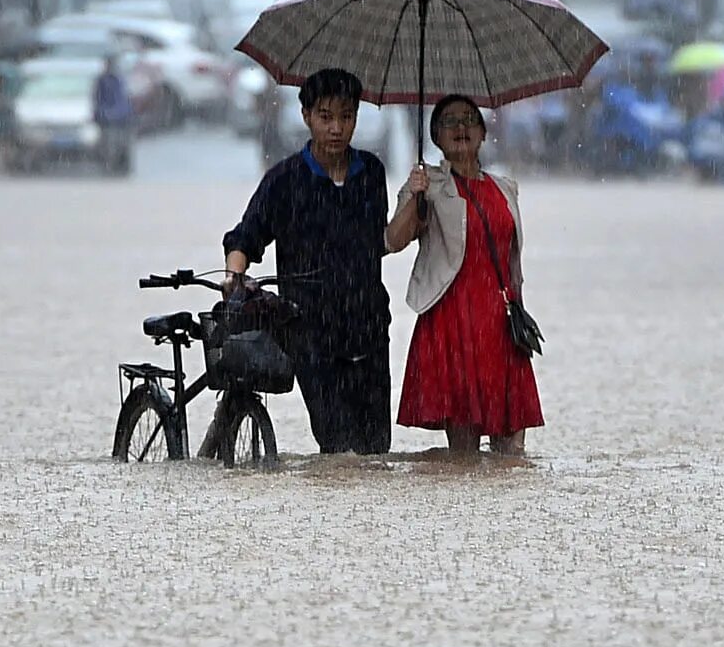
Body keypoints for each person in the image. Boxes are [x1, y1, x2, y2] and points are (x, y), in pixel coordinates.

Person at [224, 68, 392, 455]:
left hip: (368, 327)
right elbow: (246, 236)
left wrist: (416, 204)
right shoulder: (285, 181)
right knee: (338, 449)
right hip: (310, 331)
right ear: (306, 116)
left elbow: (379, 242)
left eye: (346, 116)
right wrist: (235, 273)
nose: (336, 128)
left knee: (376, 451)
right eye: (326, 116)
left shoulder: (372, 174)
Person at [387, 94, 544, 457]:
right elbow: (393, 240)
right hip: (452, 322)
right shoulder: (428, 186)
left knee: (512, 453)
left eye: (469, 120)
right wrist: (415, 195)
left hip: (502, 324)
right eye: (449, 122)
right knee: (463, 456)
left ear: (484, 132)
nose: (461, 128)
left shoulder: (505, 187)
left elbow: (510, 258)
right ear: (436, 138)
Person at [92, 55, 134, 174]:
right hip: (110, 119)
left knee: (119, 143)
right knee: (111, 144)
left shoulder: (118, 80)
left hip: (119, 119)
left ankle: (118, 165)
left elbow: (124, 99)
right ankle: (112, 165)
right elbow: (98, 99)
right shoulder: (105, 80)